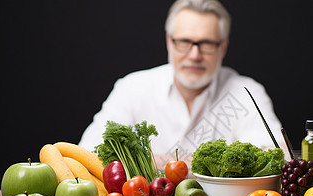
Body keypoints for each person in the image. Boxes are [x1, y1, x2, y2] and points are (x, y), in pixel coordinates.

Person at [79, 0, 284, 168]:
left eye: (206, 44)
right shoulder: (132, 88)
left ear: (223, 47)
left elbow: (277, 156)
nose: (194, 55)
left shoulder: (246, 92)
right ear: (169, 42)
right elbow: (88, 154)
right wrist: (205, 166)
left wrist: (145, 162)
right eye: (184, 42)